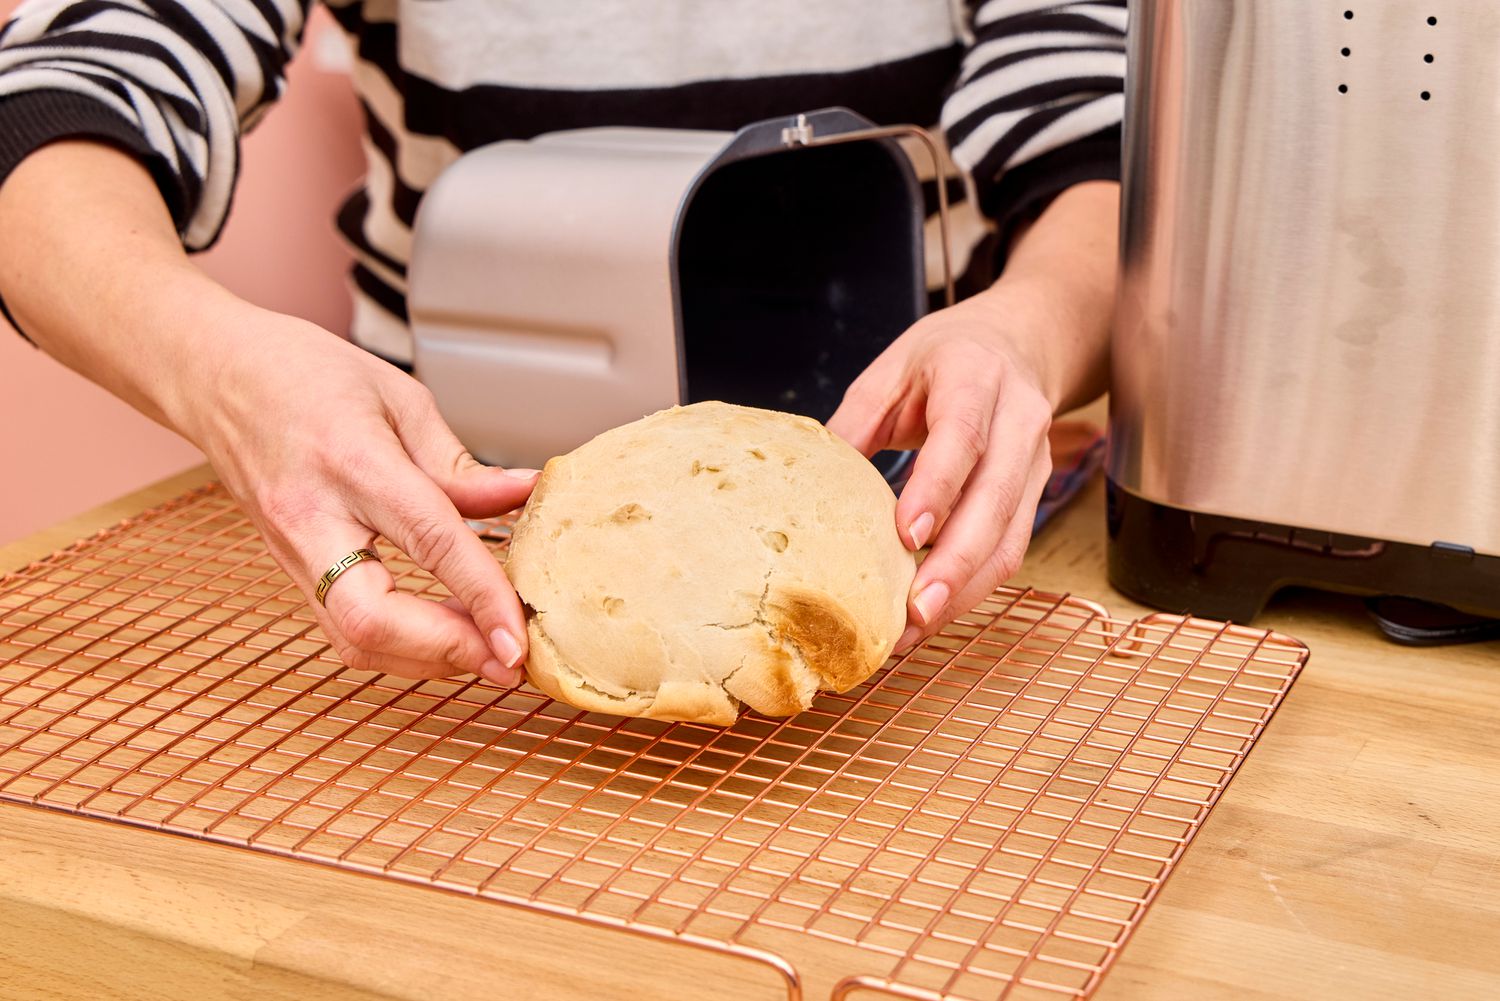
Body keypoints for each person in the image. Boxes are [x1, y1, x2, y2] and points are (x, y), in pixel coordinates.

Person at [0, 1, 1124, 690]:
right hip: (439, 532)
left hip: (908, 481)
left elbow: (1098, 129)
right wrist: (223, 372)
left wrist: (1028, 331)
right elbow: (55, 94)